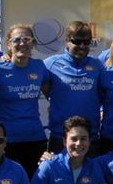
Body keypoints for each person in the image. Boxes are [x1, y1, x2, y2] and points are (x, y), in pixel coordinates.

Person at [0, 24, 50, 177]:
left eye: (27, 39)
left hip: (35, 137)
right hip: (7, 140)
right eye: (17, 40)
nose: (22, 43)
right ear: (8, 44)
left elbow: (51, 94)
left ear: (33, 43)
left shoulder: (39, 66)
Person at [44, 21, 103, 154]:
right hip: (60, 138)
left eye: (87, 42)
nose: (82, 46)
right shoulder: (50, 64)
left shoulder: (98, 66)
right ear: (67, 41)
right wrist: (7, 58)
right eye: (77, 41)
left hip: (90, 139)